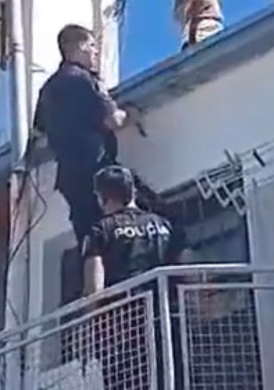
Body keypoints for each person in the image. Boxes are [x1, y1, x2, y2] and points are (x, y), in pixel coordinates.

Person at [82, 165, 190, 390]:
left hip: (123, 332)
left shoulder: (101, 231)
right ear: (133, 192)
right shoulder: (165, 226)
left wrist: (89, 331)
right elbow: (189, 271)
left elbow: (94, 291)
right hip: (167, 326)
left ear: (102, 197)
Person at [33, 25, 131, 245]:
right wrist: (127, 114)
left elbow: (38, 131)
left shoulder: (48, 89)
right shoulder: (83, 80)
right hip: (96, 170)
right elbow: (112, 120)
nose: (96, 53)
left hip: (69, 177)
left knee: (88, 237)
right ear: (81, 46)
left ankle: (92, 274)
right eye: (93, 46)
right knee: (122, 228)